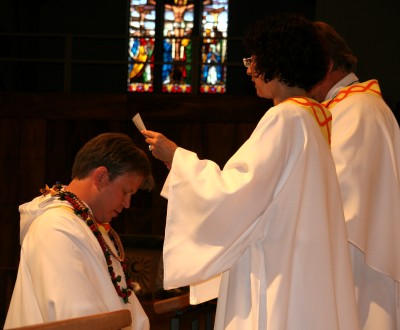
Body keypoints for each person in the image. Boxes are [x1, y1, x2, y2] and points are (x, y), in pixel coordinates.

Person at [141, 13, 360, 329]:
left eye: (253, 60)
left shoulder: (285, 118)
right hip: (297, 265)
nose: (249, 69)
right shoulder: (314, 118)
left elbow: (235, 194)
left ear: (278, 62)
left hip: (274, 267)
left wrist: (178, 158)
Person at [4, 133, 154, 330]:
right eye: (125, 191)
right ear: (100, 177)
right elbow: (76, 319)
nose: (127, 204)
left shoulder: (88, 224)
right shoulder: (55, 227)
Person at [309, 21, 400, 330]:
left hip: (359, 267)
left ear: (329, 64)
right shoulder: (346, 106)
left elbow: (344, 199)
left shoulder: (358, 109)